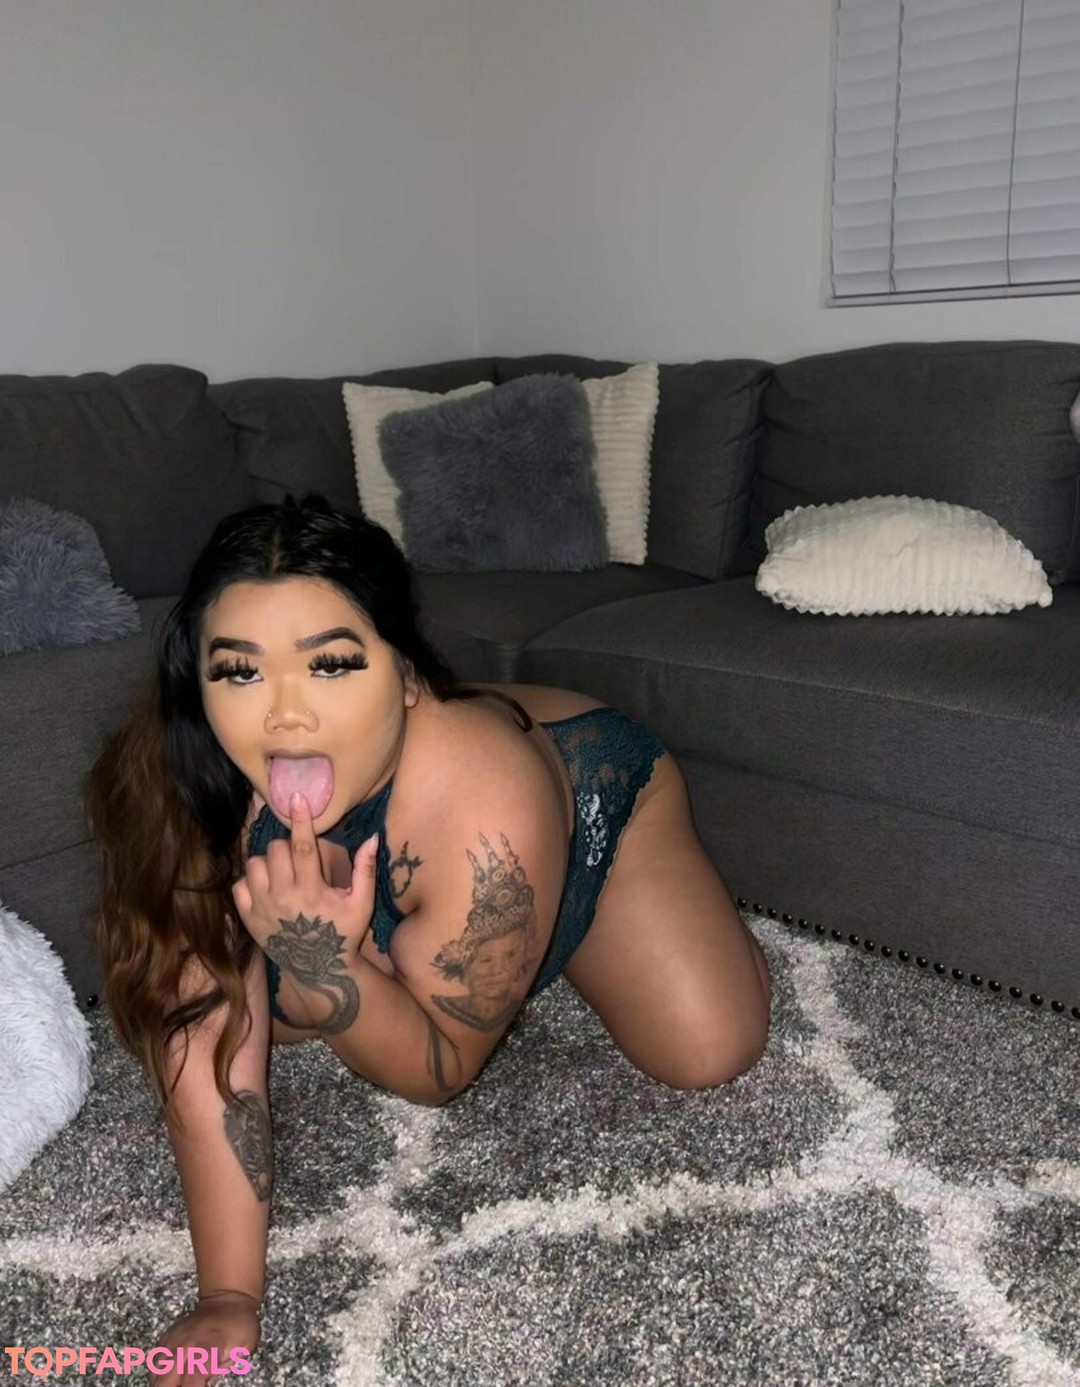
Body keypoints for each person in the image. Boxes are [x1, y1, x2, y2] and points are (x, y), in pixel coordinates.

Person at [87, 494, 771, 1386]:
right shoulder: (196, 772)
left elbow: (439, 1072)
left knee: (708, 1047)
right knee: (243, 983)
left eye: (331, 664)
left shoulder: (487, 804)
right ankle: (412, 948)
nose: (284, 716)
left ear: (404, 670)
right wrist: (228, 1294)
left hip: (587, 809)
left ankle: (589, 923)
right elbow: (199, 1028)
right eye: (241, 673)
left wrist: (326, 967)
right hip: (420, 856)